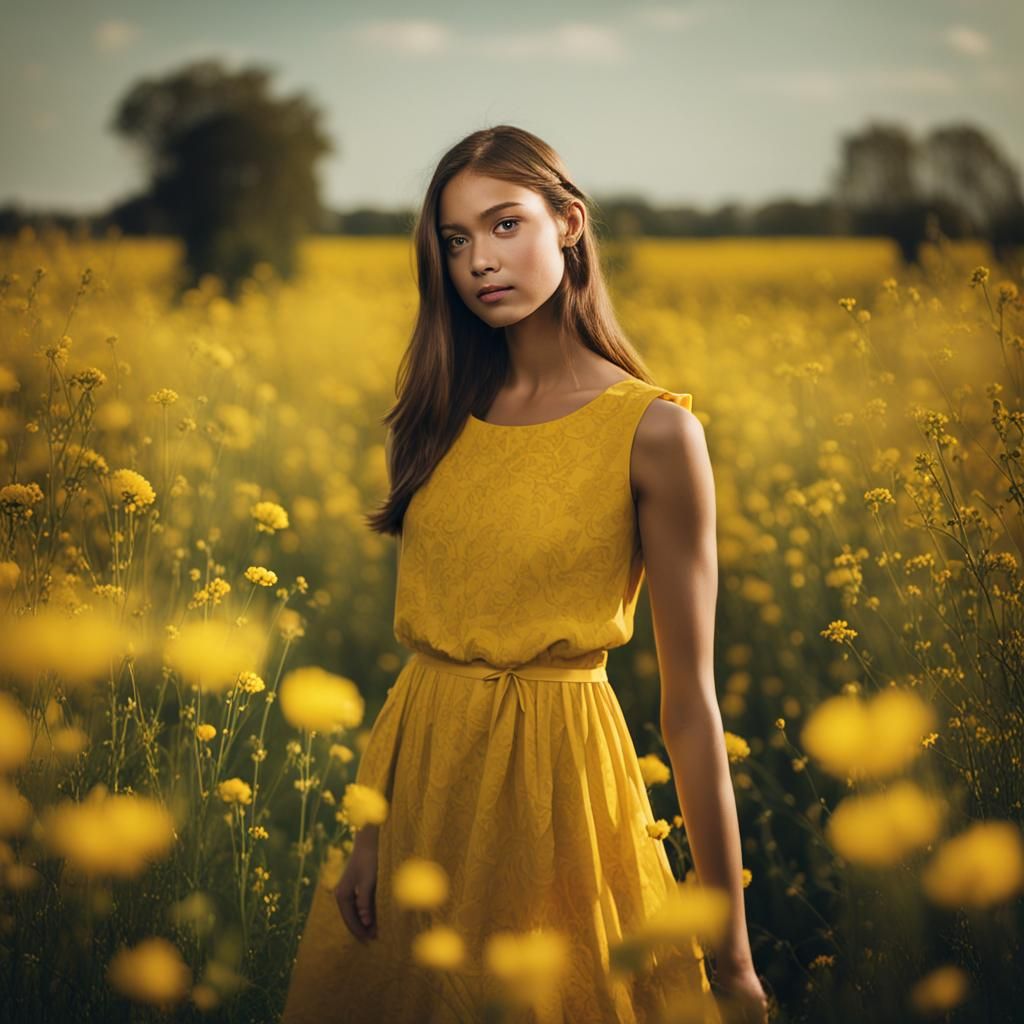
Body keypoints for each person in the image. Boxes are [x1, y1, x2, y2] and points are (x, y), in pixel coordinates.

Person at [282, 125, 769, 1024]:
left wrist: (732, 954)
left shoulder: (656, 433)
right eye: (456, 240)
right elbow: (423, 666)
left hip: (562, 793)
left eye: (504, 225)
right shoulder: (429, 418)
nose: (478, 262)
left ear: (570, 223)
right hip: (423, 789)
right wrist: (370, 835)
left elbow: (692, 703)